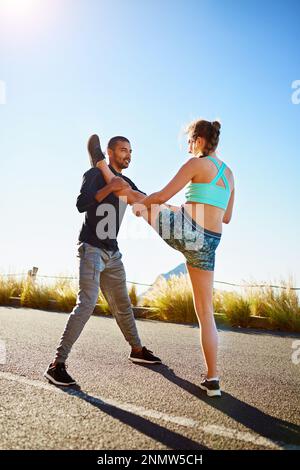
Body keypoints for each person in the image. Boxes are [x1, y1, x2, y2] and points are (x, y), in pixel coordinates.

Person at [94, 120, 235, 397]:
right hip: (209, 242)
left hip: (187, 230)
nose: (187, 146)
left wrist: (143, 205)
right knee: (206, 313)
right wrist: (168, 208)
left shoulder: (196, 164)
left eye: (189, 141)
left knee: (135, 195)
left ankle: (101, 165)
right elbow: (226, 217)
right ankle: (212, 380)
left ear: (199, 139)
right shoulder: (229, 174)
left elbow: (161, 195)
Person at [44, 135, 161, 387]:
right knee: (86, 304)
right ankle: (57, 365)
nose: (128, 154)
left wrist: (166, 206)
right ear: (109, 152)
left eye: (130, 150)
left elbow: (141, 200)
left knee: (123, 305)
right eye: (122, 150)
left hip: (113, 252)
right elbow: (80, 204)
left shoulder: (126, 181)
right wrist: (110, 187)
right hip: (91, 248)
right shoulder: (94, 175)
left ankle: (137, 350)